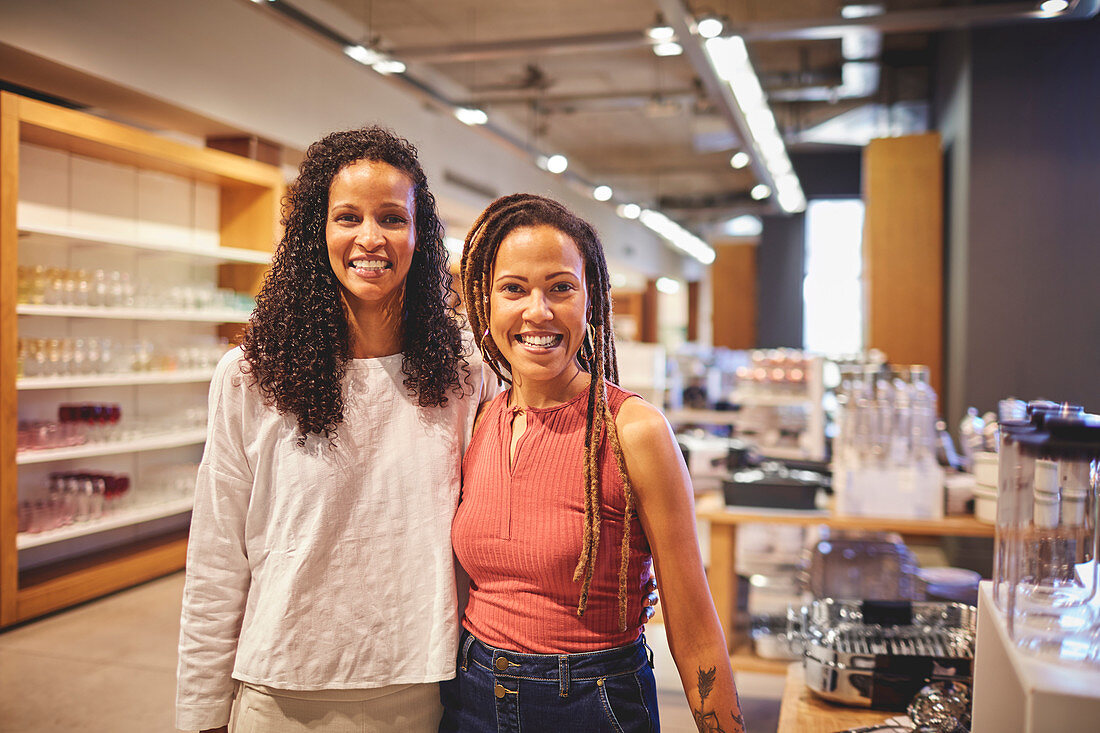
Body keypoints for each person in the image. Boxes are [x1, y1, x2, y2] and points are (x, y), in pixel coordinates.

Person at [175, 126, 495, 733]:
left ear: (420, 235)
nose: (370, 238)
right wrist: (201, 711)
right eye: (347, 217)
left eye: (392, 218)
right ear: (313, 233)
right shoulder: (251, 376)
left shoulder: (464, 370)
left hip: (423, 682)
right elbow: (217, 555)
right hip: (281, 684)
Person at [442, 194, 746, 732]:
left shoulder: (634, 429)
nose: (537, 311)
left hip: (590, 701)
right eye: (514, 289)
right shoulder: (479, 420)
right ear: (484, 304)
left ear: (592, 302)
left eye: (560, 287)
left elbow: (694, 624)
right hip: (471, 695)